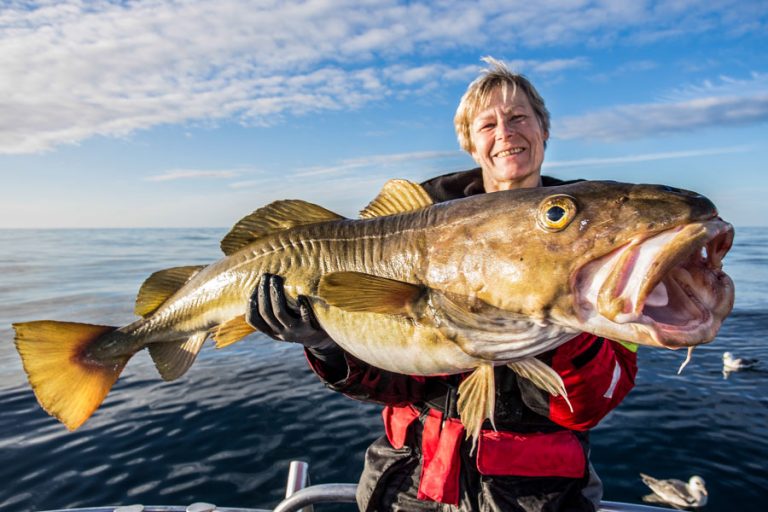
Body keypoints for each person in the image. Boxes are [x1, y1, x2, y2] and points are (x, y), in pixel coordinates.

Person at [247, 57, 638, 511]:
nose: (505, 133)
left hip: (535, 495)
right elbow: (393, 384)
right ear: (470, 143)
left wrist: (559, 310)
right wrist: (325, 345)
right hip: (409, 480)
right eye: (487, 124)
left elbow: (590, 403)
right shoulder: (403, 235)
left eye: (518, 118)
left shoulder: (596, 248)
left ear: (544, 130)